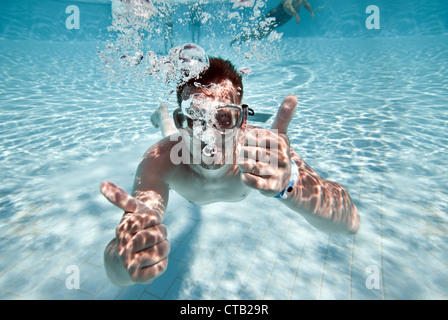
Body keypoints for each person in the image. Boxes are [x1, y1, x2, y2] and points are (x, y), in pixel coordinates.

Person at [100, 57, 360, 286]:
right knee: (168, 135)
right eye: (193, 119)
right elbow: (116, 270)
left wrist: (293, 185)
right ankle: (165, 115)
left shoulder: (265, 152)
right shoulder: (160, 160)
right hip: (174, 143)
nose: (208, 136)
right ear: (184, 123)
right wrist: (123, 261)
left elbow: (350, 223)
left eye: (224, 118)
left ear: (242, 121)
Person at [231, 0, 316, 45]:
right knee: (259, 33)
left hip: (278, 20)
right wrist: (296, 15)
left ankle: (242, 38)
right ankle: (241, 38)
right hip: (272, 17)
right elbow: (287, 6)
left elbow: (306, 4)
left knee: (260, 35)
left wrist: (311, 11)